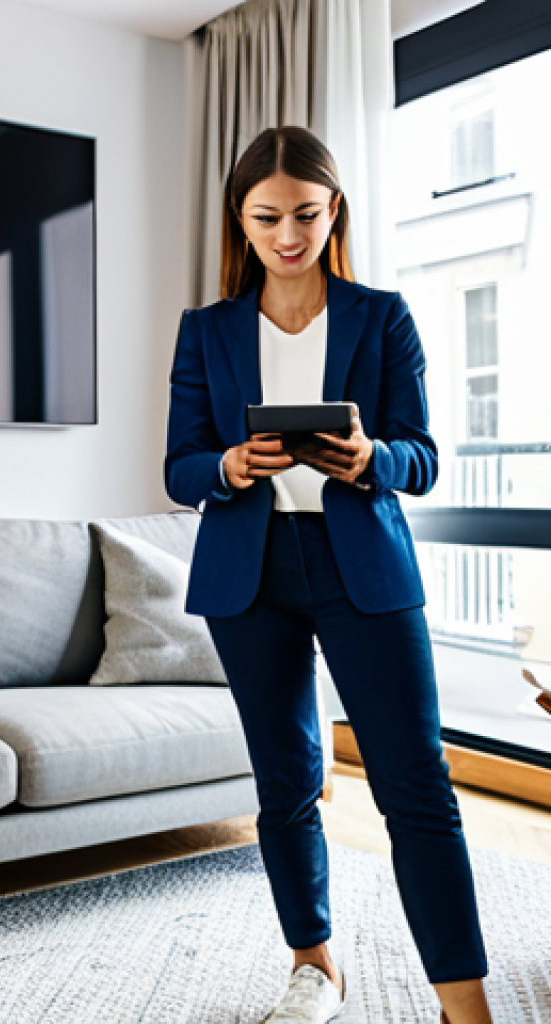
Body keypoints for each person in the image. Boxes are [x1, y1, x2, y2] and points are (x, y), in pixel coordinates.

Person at [164, 125, 493, 1024]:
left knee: (415, 784)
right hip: (251, 570)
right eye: (267, 217)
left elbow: (423, 459)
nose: (288, 235)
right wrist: (231, 466)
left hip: (364, 571)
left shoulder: (380, 316)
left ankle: (463, 1002)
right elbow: (179, 467)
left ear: (333, 209)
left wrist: (369, 457)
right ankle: (315, 966)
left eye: (305, 213)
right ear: (241, 220)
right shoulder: (208, 332)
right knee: (286, 781)